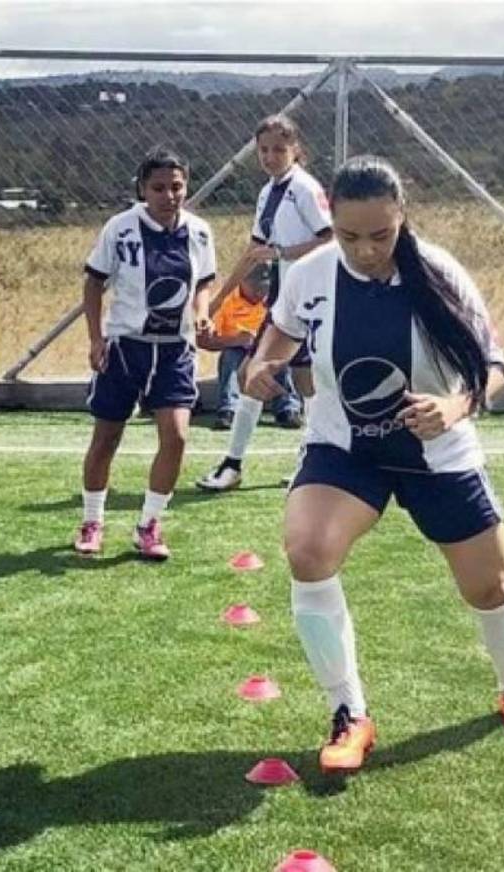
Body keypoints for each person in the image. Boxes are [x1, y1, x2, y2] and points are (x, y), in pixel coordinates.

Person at [243, 155, 504, 775]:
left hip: (436, 454)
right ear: (333, 221)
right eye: (351, 236)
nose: (364, 250)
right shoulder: (310, 274)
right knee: (307, 550)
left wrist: (456, 406)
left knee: (489, 588)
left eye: (380, 236)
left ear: (402, 217)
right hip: (345, 449)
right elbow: (277, 333)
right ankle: (348, 713)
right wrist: (258, 366)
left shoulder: (439, 272)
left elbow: (494, 369)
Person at [74, 146, 217, 560]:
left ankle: (149, 525)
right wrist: (96, 339)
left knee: (176, 436)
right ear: (142, 188)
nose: (169, 195)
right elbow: (93, 282)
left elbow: (205, 281)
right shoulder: (119, 229)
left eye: (176, 186)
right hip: (125, 348)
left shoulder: (200, 231)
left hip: (175, 351)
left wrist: (201, 311)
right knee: (106, 438)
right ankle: (92, 521)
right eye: (158, 187)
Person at [196, 114, 334, 492]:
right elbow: (254, 252)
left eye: (278, 149)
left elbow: (332, 238)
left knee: (279, 380)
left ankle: (241, 464)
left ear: (296, 150)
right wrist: (218, 301)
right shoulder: (267, 192)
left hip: (310, 302)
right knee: (272, 379)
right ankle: (262, 463)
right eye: (264, 150)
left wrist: (284, 252)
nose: (270, 157)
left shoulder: (305, 189)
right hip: (284, 305)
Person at [197, 265, 268, 430]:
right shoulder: (226, 302)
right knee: (229, 356)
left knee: (281, 357)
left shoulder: (275, 300)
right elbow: (204, 341)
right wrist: (235, 341)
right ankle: (228, 410)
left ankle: (288, 408)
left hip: (267, 350)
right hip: (238, 352)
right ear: (242, 282)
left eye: (264, 288)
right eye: (255, 288)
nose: (259, 293)